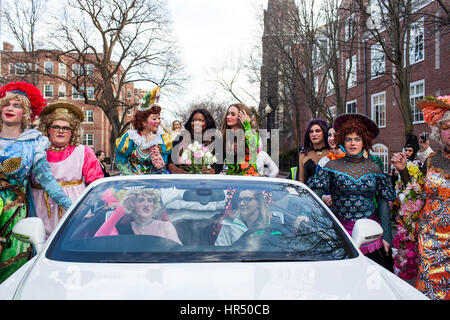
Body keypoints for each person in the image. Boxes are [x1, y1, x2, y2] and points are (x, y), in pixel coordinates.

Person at [0, 82, 72, 282]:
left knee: (11, 272)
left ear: (26, 113)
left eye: (17, 105)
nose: (10, 108)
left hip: (13, 215)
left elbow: (47, 181)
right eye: (7, 104)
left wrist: (73, 208)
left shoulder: (34, 144)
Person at [308, 113, 395, 271]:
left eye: (357, 139)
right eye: (348, 139)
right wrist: (307, 219)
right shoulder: (331, 166)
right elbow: (314, 195)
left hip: (372, 236)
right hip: (341, 234)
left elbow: (383, 202)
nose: (352, 143)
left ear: (364, 141)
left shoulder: (374, 167)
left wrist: (387, 237)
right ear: (342, 141)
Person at [391, 95, 449, 300]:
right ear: (439, 131)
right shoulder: (432, 161)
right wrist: (403, 170)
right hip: (431, 242)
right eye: (446, 126)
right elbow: (415, 194)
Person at [30, 102, 104, 237]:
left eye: (66, 128)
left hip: (72, 208)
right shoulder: (35, 151)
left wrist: (110, 202)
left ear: (72, 131)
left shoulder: (83, 152)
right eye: (56, 127)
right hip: (38, 209)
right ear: (48, 129)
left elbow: (97, 183)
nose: (60, 131)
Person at [115, 87, 172, 175]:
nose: (158, 121)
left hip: (154, 185)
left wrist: (153, 147)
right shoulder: (130, 138)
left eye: (159, 118)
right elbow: (121, 163)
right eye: (154, 118)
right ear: (143, 122)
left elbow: (162, 167)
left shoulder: (162, 139)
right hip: (132, 185)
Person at [94, 188, 182, 245]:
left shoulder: (165, 226)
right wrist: (119, 211)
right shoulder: (122, 229)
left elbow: (178, 252)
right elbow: (97, 241)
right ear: (133, 205)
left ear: (153, 205)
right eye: (141, 200)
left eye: (150, 200)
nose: (146, 204)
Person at [167, 108, 222, 174]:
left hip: (206, 180)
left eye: (201, 120)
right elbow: (170, 161)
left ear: (207, 122)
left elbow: (219, 164)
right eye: (193, 120)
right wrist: (176, 170)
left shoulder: (215, 140)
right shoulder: (181, 138)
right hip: (184, 178)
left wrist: (212, 170)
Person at [220, 103, 260, 176]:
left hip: (249, 179)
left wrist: (246, 125)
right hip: (232, 180)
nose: (228, 116)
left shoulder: (251, 133)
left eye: (233, 114)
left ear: (242, 116)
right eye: (228, 114)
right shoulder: (225, 135)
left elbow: (253, 147)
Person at [297, 118, 330, 183]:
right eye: (311, 131)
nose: (314, 134)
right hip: (308, 192)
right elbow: (301, 182)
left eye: (317, 131)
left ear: (324, 133)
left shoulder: (333, 152)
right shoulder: (303, 155)